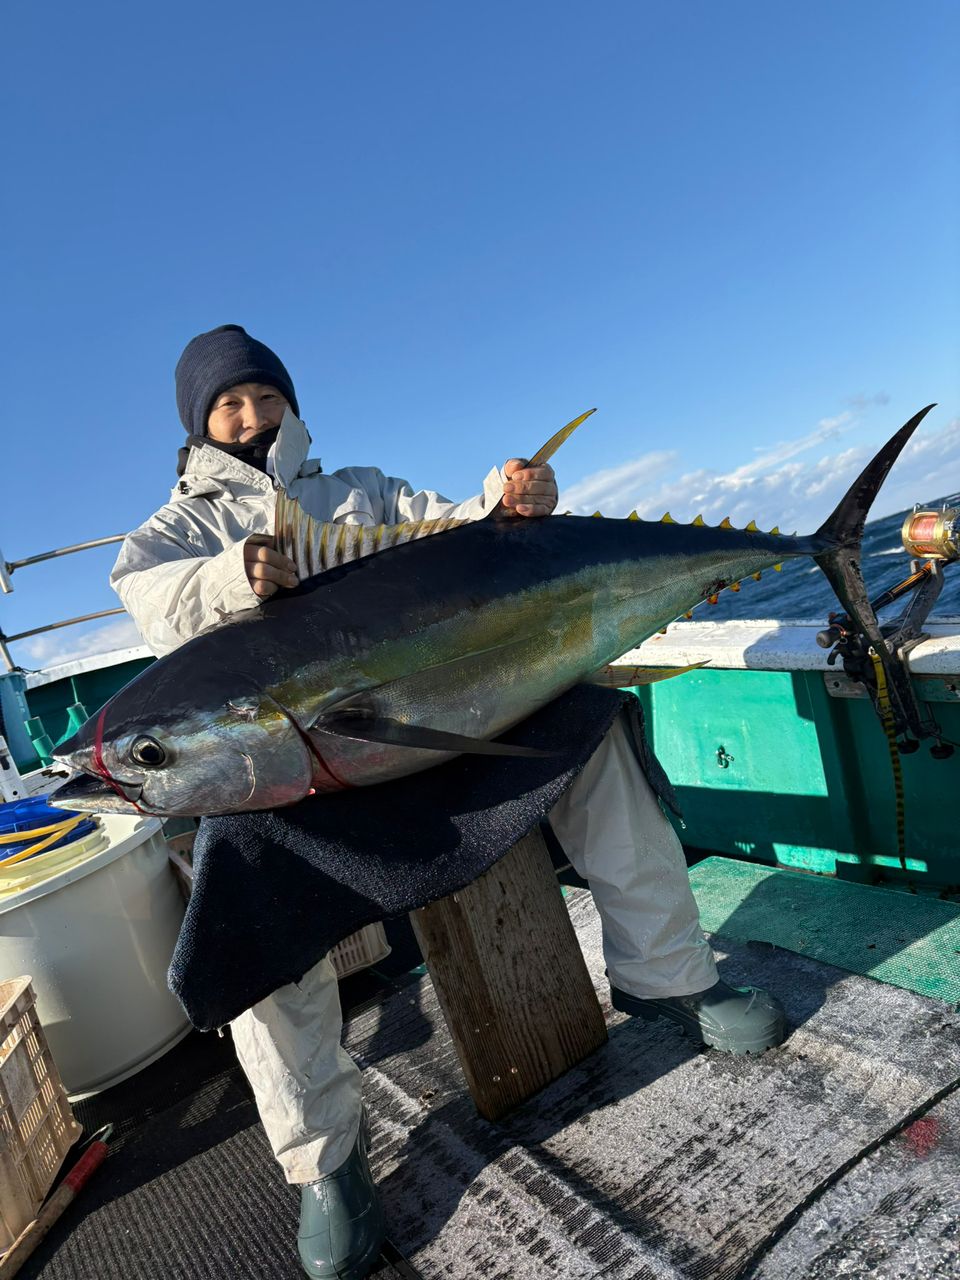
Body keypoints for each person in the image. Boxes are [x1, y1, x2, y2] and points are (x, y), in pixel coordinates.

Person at [111, 324, 786, 1280]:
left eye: (266, 396)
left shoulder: (365, 492)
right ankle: (326, 1163)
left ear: (292, 404)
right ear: (199, 423)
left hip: (431, 730)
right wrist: (232, 578)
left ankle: (668, 978)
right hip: (299, 776)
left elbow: (457, 525)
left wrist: (509, 496)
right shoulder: (168, 536)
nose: (253, 416)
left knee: (592, 729)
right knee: (240, 889)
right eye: (229, 404)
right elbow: (157, 609)